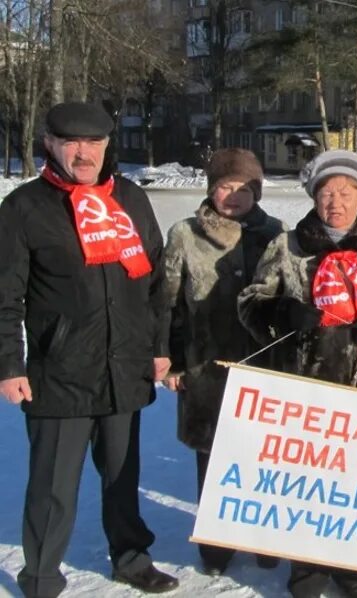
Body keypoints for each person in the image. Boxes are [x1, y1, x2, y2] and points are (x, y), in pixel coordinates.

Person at [0, 102, 178, 597]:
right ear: (51, 144)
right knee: (53, 486)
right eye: (72, 142)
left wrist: (159, 346)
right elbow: (4, 295)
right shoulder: (25, 208)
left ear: (106, 145)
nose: (84, 153)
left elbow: (156, 280)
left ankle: (131, 559)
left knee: (122, 477)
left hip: (125, 366)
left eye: (94, 142)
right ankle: (40, 575)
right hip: (59, 371)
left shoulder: (129, 199)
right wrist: (9, 365)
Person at [237, 149, 357, 598]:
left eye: (345, 192)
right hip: (304, 382)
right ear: (314, 198)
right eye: (326, 193)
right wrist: (281, 311)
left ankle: (350, 569)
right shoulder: (286, 246)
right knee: (308, 480)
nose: (335, 201)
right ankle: (307, 570)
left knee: (355, 481)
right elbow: (249, 302)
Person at [161, 148, 285, 575]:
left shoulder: (275, 233)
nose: (234, 196)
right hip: (206, 364)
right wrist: (174, 361)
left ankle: (265, 539)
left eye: (244, 188)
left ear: (258, 191)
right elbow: (168, 305)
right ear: (211, 189)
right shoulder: (184, 233)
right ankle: (217, 543)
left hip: (264, 365)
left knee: (264, 456)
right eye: (224, 186)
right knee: (214, 458)